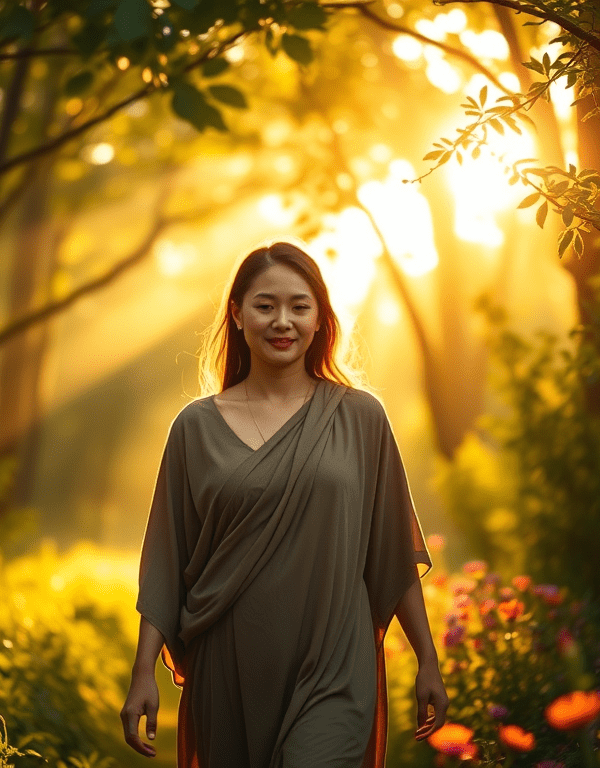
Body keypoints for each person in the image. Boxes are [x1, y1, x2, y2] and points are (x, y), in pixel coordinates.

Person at [120, 241, 448, 768]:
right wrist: (142, 674)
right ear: (237, 314)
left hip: (334, 665)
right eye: (265, 305)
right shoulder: (194, 428)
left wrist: (427, 660)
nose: (283, 321)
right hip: (228, 667)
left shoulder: (362, 419)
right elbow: (165, 559)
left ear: (320, 319)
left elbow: (390, 554)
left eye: (300, 306)